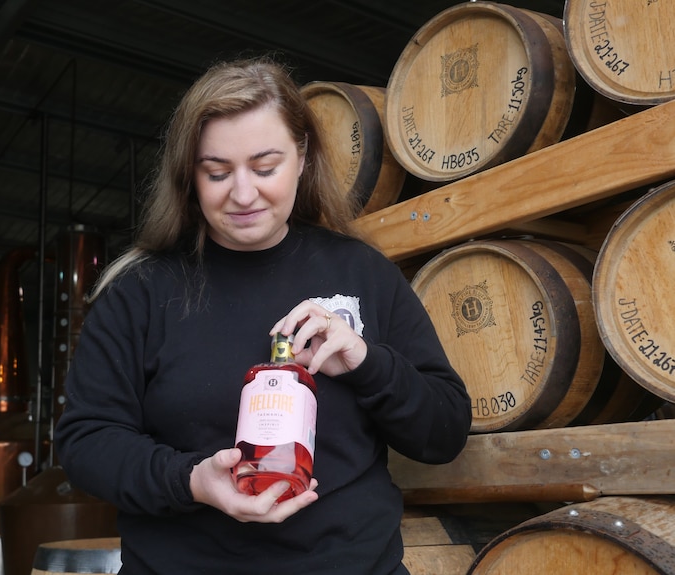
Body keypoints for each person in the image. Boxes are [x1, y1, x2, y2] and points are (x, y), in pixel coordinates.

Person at [54, 55, 472, 574]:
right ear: (190, 175)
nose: (243, 193)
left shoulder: (362, 273)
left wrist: (369, 363)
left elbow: (445, 432)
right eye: (217, 172)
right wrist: (190, 481)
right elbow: (86, 442)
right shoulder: (140, 291)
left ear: (302, 157)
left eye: (265, 167)